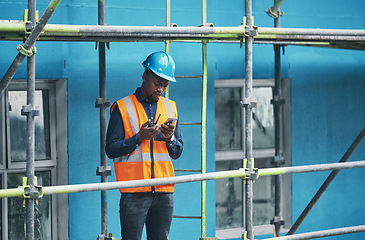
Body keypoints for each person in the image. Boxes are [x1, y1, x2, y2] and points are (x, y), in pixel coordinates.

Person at [105, 51, 183, 240]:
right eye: (157, 83)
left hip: (164, 191)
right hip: (134, 191)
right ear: (144, 76)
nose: (160, 89)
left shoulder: (171, 106)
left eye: (165, 85)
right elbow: (111, 150)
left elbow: (177, 151)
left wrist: (170, 138)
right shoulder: (121, 107)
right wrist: (138, 137)